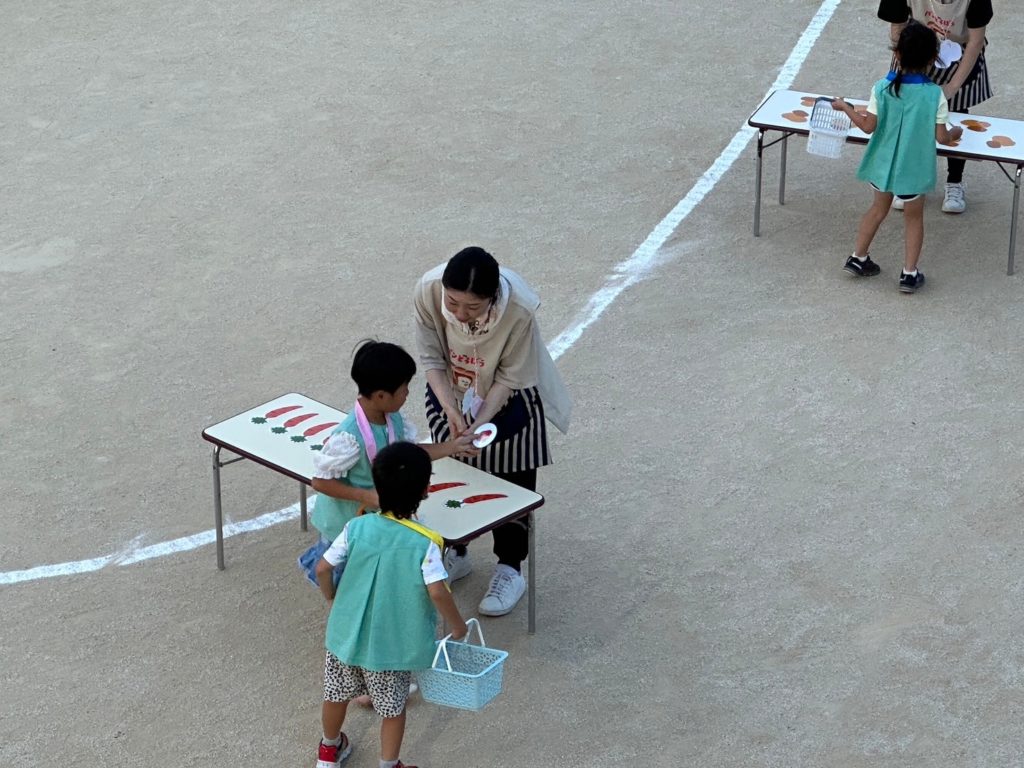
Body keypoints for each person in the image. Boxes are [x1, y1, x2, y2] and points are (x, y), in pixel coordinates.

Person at [413, 246, 571, 616]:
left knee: (511, 478)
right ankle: (457, 550)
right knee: (453, 468)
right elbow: (432, 359)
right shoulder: (427, 291)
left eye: (472, 307)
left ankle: (509, 567)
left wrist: (482, 421)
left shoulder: (518, 311)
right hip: (451, 387)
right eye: (453, 303)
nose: (459, 314)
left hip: (506, 394)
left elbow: (509, 378)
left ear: (493, 297)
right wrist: (452, 410)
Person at [313, 442, 468, 768]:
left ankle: (328, 750)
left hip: (345, 636)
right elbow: (438, 592)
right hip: (391, 647)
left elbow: (323, 568)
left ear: (377, 486)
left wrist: (331, 597)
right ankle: (389, 764)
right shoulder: (424, 542)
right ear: (425, 490)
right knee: (392, 709)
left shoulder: (356, 527)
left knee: (336, 694)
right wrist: (457, 625)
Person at [298, 340, 476, 587]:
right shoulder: (349, 437)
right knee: (346, 582)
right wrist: (365, 495)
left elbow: (408, 453)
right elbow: (319, 481)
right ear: (381, 395)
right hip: (342, 527)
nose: (407, 394)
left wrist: (453, 447)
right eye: (404, 388)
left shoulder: (392, 418)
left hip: (373, 522)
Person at [833, 21, 962, 293]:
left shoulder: (881, 87)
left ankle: (858, 257)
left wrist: (845, 107)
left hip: (882, 165)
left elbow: (868, 126)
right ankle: (909, 273)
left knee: (878, 209)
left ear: (897, 54)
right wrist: (955, 132)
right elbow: (941, 137)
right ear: (932, 59)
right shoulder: (934, 94)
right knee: (914, 219)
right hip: (913, 168)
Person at [878, 0, 993, 214]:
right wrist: (908, 68)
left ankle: (954, 182)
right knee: (908, 113)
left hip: (961, 50)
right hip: (915, 46)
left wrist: (951, 87)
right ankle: (907, 179)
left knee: (956, 112)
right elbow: (897, 28)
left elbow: (976, 41)